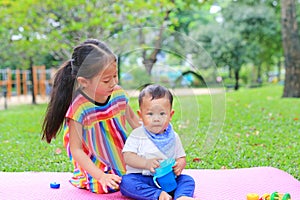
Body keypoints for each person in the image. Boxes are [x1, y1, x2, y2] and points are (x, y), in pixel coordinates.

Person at [41, 39, 140, 194]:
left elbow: (134, 121)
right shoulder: (80, 107)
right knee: (107, 186)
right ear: (84, 82)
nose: (113, 82)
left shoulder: (118, 94)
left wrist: (154, 136)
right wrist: (101, 176)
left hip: (119, 154)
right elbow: (76, 150)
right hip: (93, 163)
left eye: (115, 75)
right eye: (107, 80)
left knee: (143, 173)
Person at [120, 84, 197, 200]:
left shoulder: (173, 136)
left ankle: (182, 196)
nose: (156, 119)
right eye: (150, 114)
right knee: (126, 183)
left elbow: (181, 157)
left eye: (162, 114)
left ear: (170, 115)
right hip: (143, 178)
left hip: (168, 178)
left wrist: (180, 164)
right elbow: (128, 157)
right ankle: (157, 195)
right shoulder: (137, 135)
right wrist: (145, 163)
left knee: (187, 180)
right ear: (140, 115)